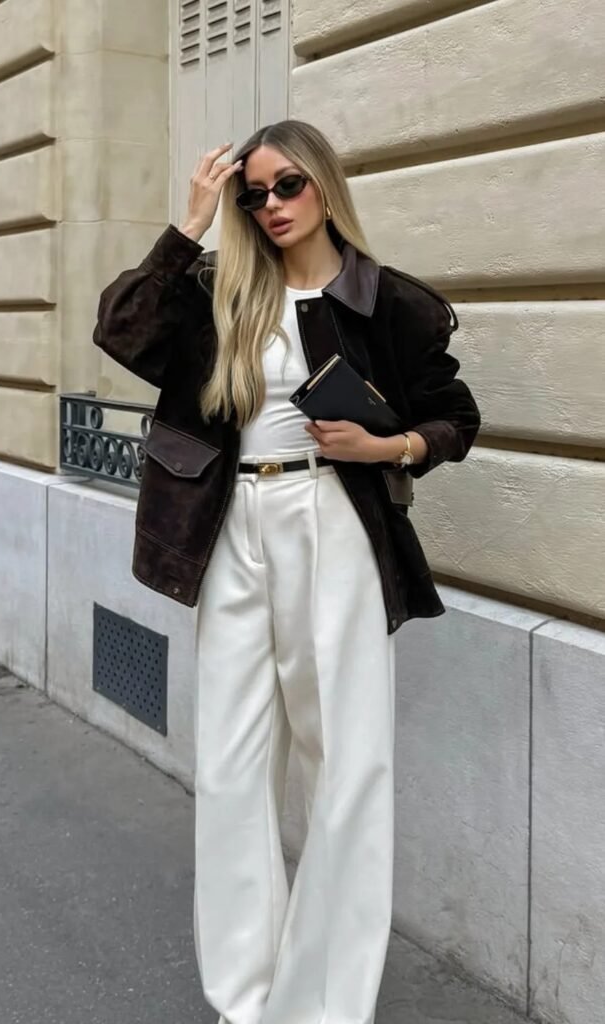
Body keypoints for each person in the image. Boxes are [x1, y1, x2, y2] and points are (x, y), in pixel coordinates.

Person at [93, 119, 481, 1024]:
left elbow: (455, 417)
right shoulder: (217, 292)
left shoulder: (386, 301)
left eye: (286, 186)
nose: (269, 205)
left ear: (323, 186)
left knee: (344, 768)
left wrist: (389, 443)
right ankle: (244, 1000)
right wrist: (189, 223)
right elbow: (119, 330)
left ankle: (323, 1007)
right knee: (231, 768)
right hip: (233, 528)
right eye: (252, 193)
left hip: (333, 526)